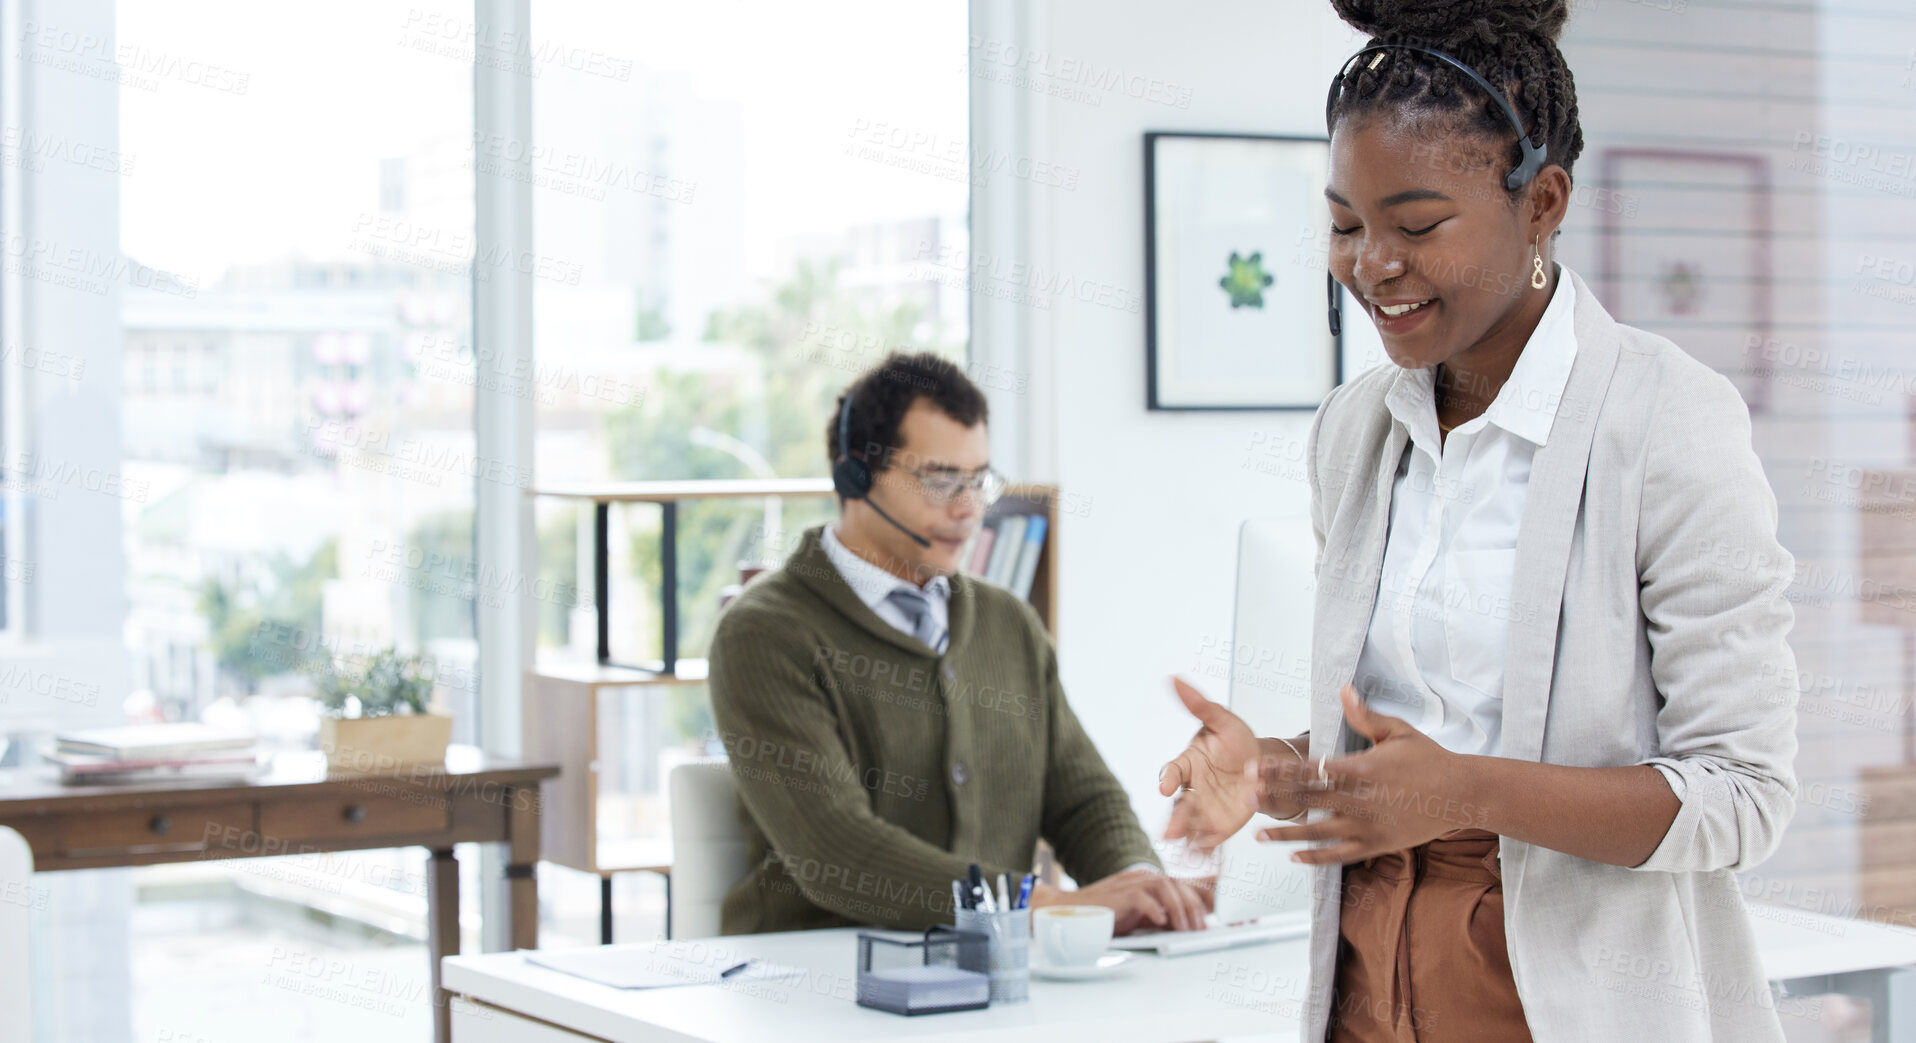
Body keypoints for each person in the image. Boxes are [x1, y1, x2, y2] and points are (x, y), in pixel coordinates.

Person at [1158, 2, 1798, 1040]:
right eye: (1344, 224)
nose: (1371, 264)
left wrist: (1459, 793)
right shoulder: (1355, 431)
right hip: (1367, 991)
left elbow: (1740, 794)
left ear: (1539, 202)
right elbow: (1408, 732)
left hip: (1562, 1002)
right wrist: (1284, 764)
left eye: (1415, 226)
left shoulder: (1666, 419)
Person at [708, 351, 1212, 936]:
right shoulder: (765, 633)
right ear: (854, 476)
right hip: (821, 985)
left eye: (978, 480)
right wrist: (1041, 906)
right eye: (941, 479)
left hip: (989, 981)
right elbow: (838, 855)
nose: (969, 507)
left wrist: (1141, 888)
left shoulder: (1007, 623)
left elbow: (1083, 799)